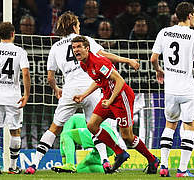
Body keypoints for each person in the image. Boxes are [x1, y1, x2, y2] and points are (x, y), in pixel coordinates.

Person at [24, 11, 139, 174]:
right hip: (90, 88)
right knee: (95, 126)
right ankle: (105, 162)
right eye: (78, 25)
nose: (79, 28)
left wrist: (57, 89)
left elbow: (50, 76)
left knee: (54, 129)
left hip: (70, 90)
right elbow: (104, 55)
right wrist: (127, 60)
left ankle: (33, 164)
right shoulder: (86, 41)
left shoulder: (55, 47)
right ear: (74, 26)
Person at [71, 35, 160, 173]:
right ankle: (120, 152)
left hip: (121, 97)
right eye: (73, 48)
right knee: (92, 125)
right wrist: (84, 95)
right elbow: (98, 80)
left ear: (87, 48)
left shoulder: (98, 62)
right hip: (108, 97)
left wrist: (111, 100)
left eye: (78, 47)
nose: (75, 50)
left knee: (127, 136)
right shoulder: (84, 63)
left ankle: (152, 160)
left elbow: (120, 81)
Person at [150, 2, 194, 177]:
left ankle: (164, 166)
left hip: (170, 89)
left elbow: (153, 58)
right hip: (188, 88)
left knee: (170, 125)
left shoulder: (164, 32)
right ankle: (182, 170)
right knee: (189, 125)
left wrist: (159, 70)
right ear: (190, 15)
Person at [0, 22, 31, 174]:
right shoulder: (19, 51)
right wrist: (26, 95)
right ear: (13, 33)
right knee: (15, 131)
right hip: (13, 97)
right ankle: (13, 167)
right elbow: (26, 74)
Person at [51, 113, 117, 173]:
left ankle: (69, 165)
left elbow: (63, 137)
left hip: (101, 133)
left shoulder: (70, 118)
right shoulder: (81, 116)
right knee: (81, 168)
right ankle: (110, 169)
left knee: (67, 134)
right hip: (112, 143)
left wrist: (64, 162)